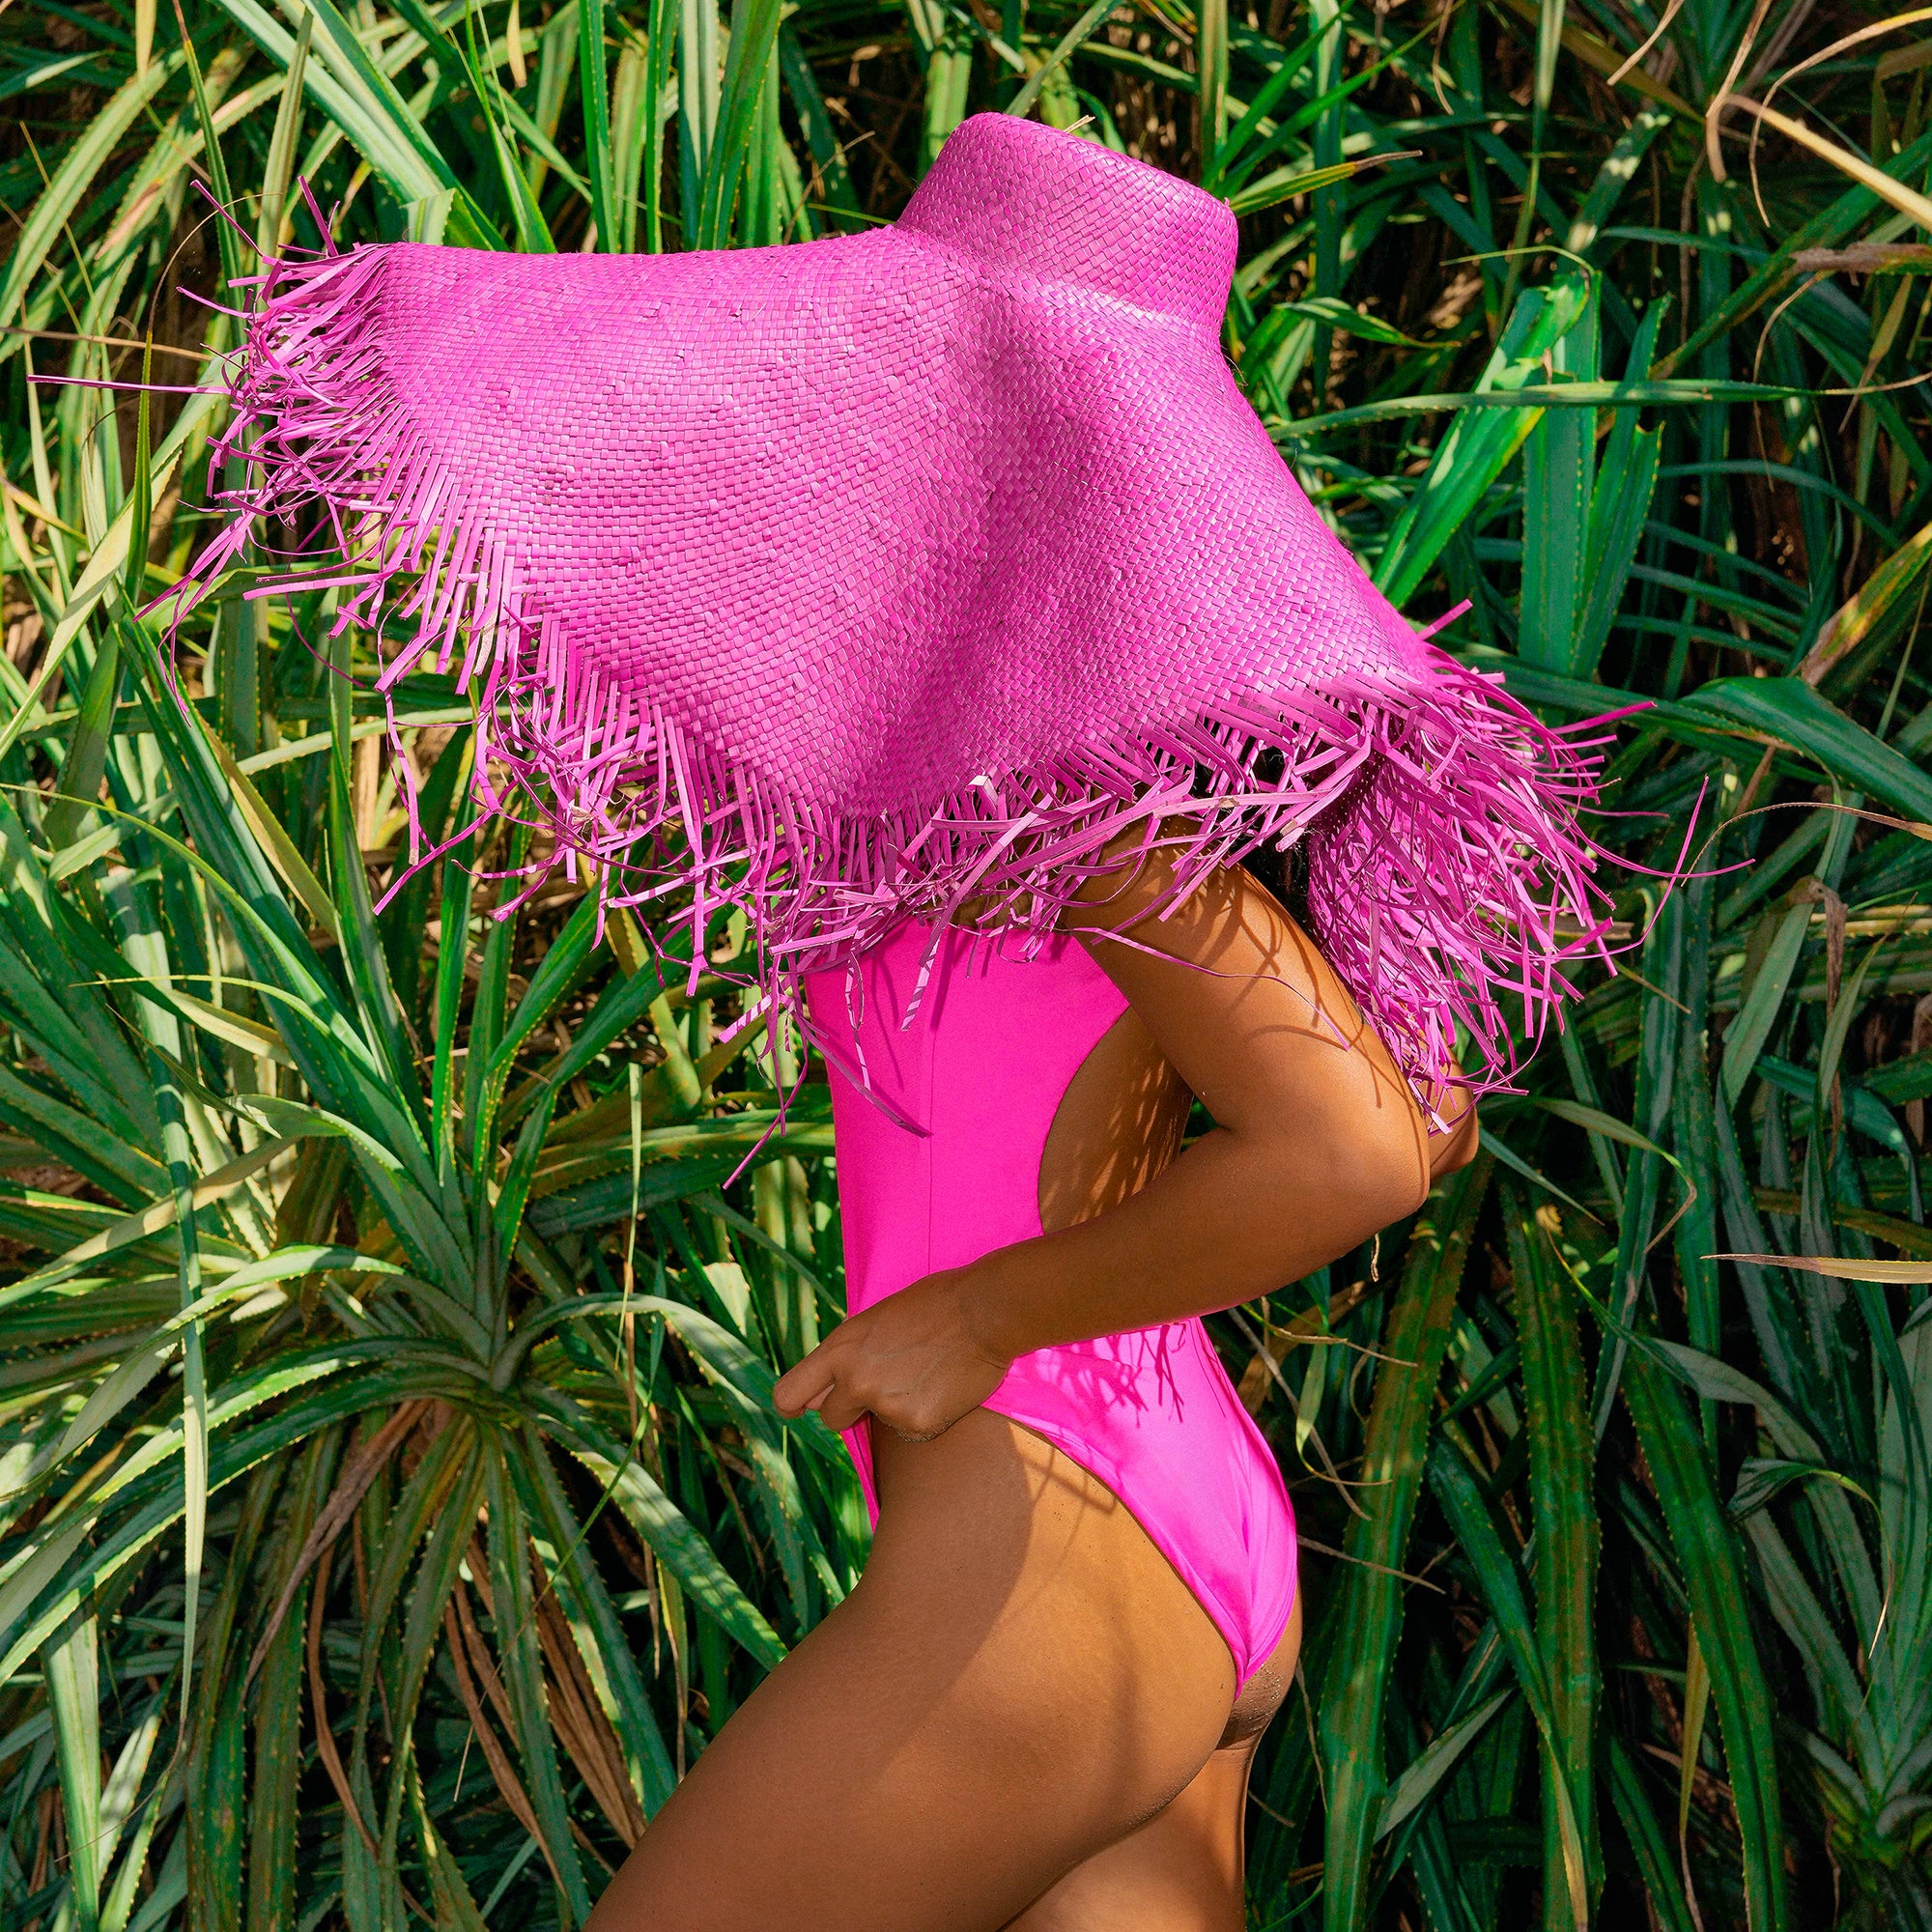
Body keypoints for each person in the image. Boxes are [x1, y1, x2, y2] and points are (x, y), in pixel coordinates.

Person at [582, 830, 1477, 1932]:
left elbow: (1359, 1155)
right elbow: (1434, 1111)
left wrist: (980, 1314)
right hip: (1143, 1506)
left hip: (1037, 1537)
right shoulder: (1145, 801)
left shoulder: (1056, 790)